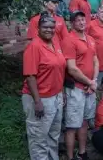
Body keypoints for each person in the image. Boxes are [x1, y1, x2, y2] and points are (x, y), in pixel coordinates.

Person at [22, 13, 66, 160]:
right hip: (40, 98)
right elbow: (30, 76)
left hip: (56, 96)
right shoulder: (34, 46)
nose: (49, 30)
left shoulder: (55, 42)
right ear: (38, 28)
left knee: (53, 135)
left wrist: (62, 92)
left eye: (52, 27)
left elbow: (60, 68)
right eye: (45, 27)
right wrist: (37, 102)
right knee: (39, 139)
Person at [62, 11, 99, 160]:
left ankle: (82, 153)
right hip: (76, 88)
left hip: (89, 88)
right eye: (78, 21)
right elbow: (71, 68)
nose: (82, 23)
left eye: (83, 20)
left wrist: (94, 81)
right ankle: (70, 157)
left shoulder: (90, 39)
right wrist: (89, 82)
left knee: (84, 122)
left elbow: (96, 61)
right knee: (72, 125)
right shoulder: (69, 40)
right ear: (72, 23)